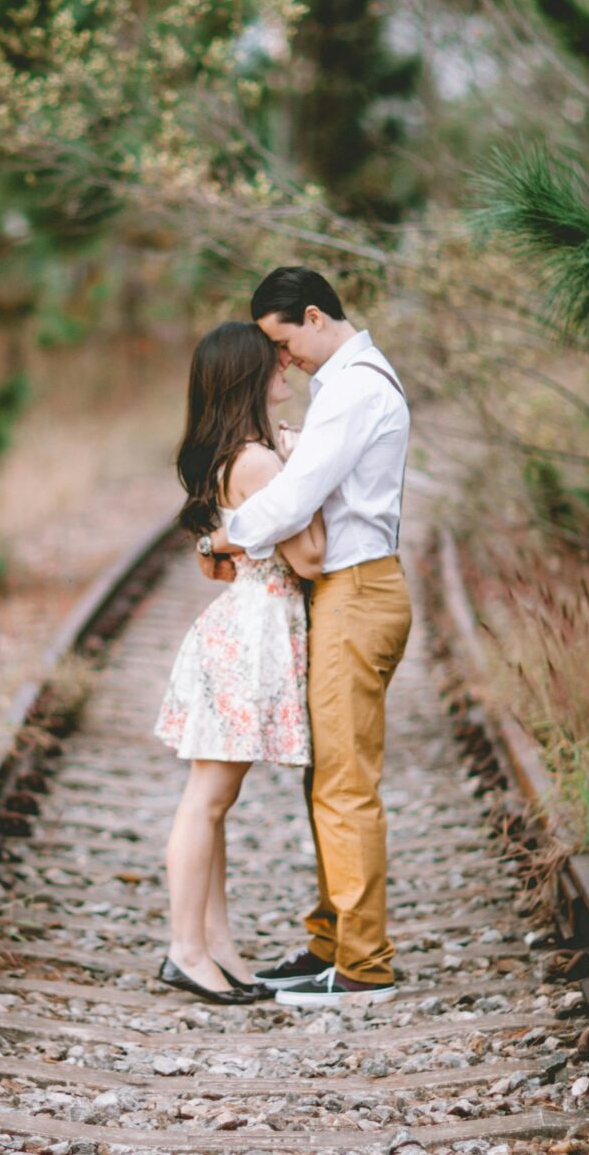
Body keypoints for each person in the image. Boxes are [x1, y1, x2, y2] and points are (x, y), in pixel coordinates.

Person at [200, 268, 411, 1010]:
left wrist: (226, 534)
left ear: (313, 316)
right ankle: (330, 941)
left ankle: (361, 966)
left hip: (357, 592)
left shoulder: (353, 387)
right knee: (325, 775)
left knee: (344, 782)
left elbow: (293, 500)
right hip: (345, 593)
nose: (280, 361)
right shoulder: (343, 385)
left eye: (281, 341)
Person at [154, 323, 327, 1007]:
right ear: (247, 377)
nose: (284, 365)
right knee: (207, 799)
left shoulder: (235, 455)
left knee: (214, 801)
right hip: (250, 634)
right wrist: (300, 464)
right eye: (273, 360)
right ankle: (185, 949)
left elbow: (224, 561)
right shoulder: (258, 460)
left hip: (241, 626)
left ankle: (216, 946)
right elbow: (309, 558)